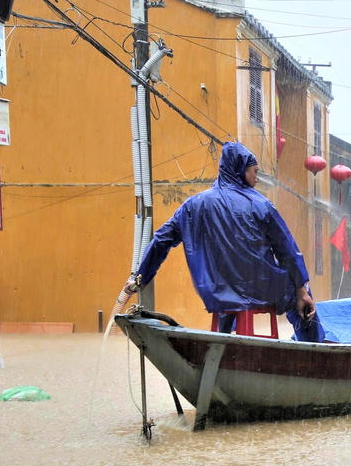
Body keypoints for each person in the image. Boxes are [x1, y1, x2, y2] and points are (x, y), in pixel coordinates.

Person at [121, 141, 320, 339]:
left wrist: (140, 277)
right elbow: (287, 250)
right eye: (254, 172)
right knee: (301, 292)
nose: (257, 178)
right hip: (260, 288)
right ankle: (314, 347)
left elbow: (161, 240)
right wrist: (301, 291)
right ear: (241, 170)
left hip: (215, 290)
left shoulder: (192, 206)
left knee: (229, 293)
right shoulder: (260, 204)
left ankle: (224, 342)